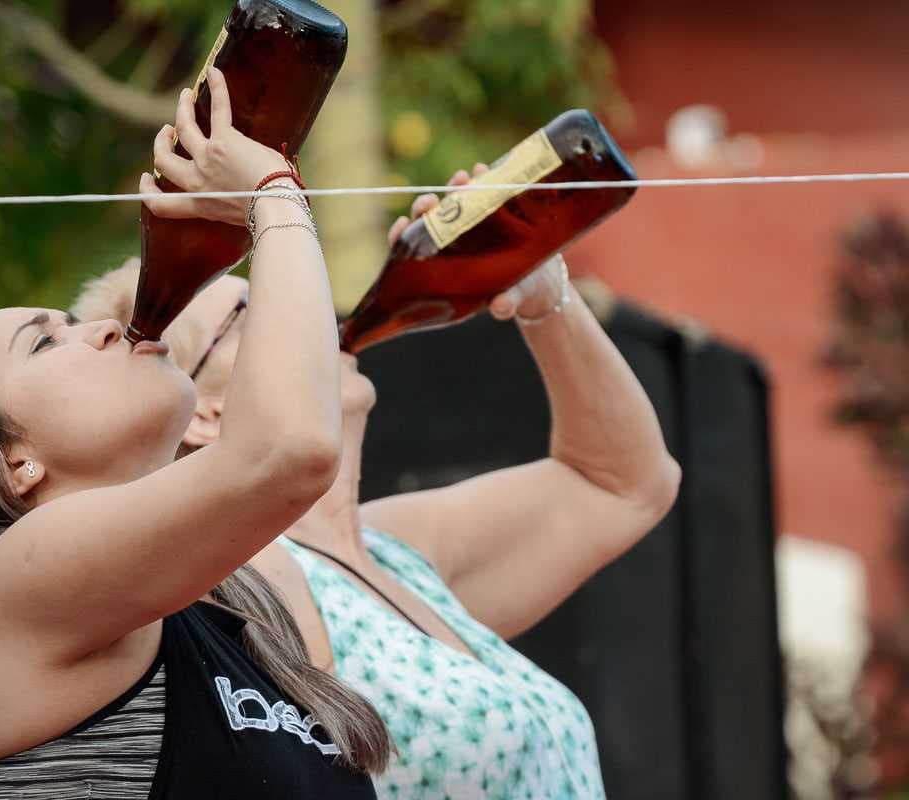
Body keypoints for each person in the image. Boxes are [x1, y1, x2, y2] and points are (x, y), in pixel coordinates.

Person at [72, 164, 682, 799]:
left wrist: (542, 295)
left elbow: (626, 482)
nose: (304, 311)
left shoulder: (394, 553)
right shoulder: (240, 589)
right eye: (253, 309)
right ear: (201, 412)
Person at [0, 68, 390, 800]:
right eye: (47, 343)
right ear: (6, 464)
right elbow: (288, 451)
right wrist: (273, 193)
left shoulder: (252, 596)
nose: (106, 327)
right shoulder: (14, 584)